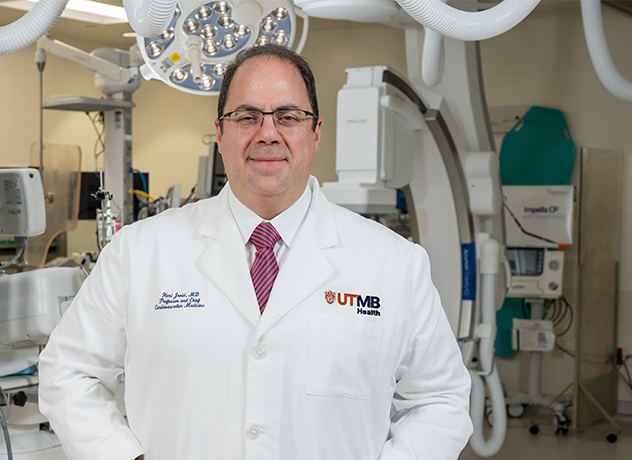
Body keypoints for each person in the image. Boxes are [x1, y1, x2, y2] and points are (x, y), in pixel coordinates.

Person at [39, 44, 473, 460]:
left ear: (315, 133)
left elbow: (441, 400)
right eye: (246, 117)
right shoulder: (140, 252)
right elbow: (68, 371)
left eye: (289, 117)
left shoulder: (394, 263)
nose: (268, 134)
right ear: (220, 133)